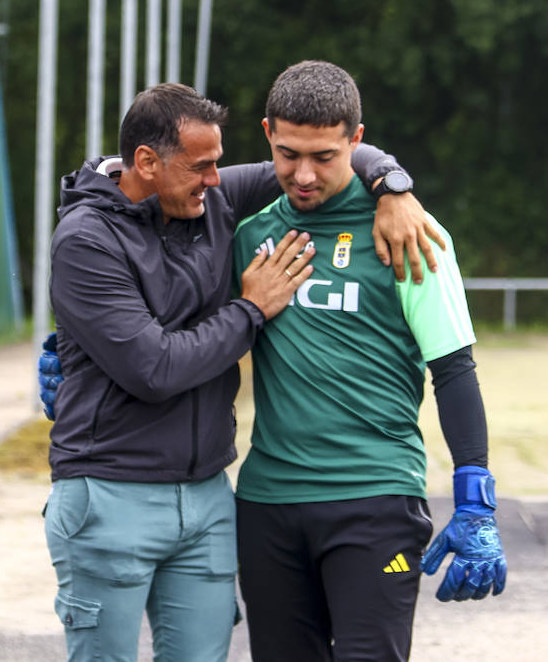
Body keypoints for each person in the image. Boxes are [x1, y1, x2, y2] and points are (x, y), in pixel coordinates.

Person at [45, 82, 442, 662]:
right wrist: (251, 310)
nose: (217, 180)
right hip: (111, 490)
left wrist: (394, 186)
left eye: (218, 166)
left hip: (207, 496)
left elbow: (321, 150)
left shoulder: (206, 198)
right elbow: (155, 368)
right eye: (202, 167)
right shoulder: (86, 239)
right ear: (147, 164)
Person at [231, 61, 505, 662]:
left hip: (375, 499)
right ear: (267, 133)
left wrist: (475, 495)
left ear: (357, 142)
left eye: (324, 157)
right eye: (286, 153)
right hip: (267, 503)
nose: (302, 175)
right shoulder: (246, 232)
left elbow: (454, 370)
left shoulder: (409, 233)